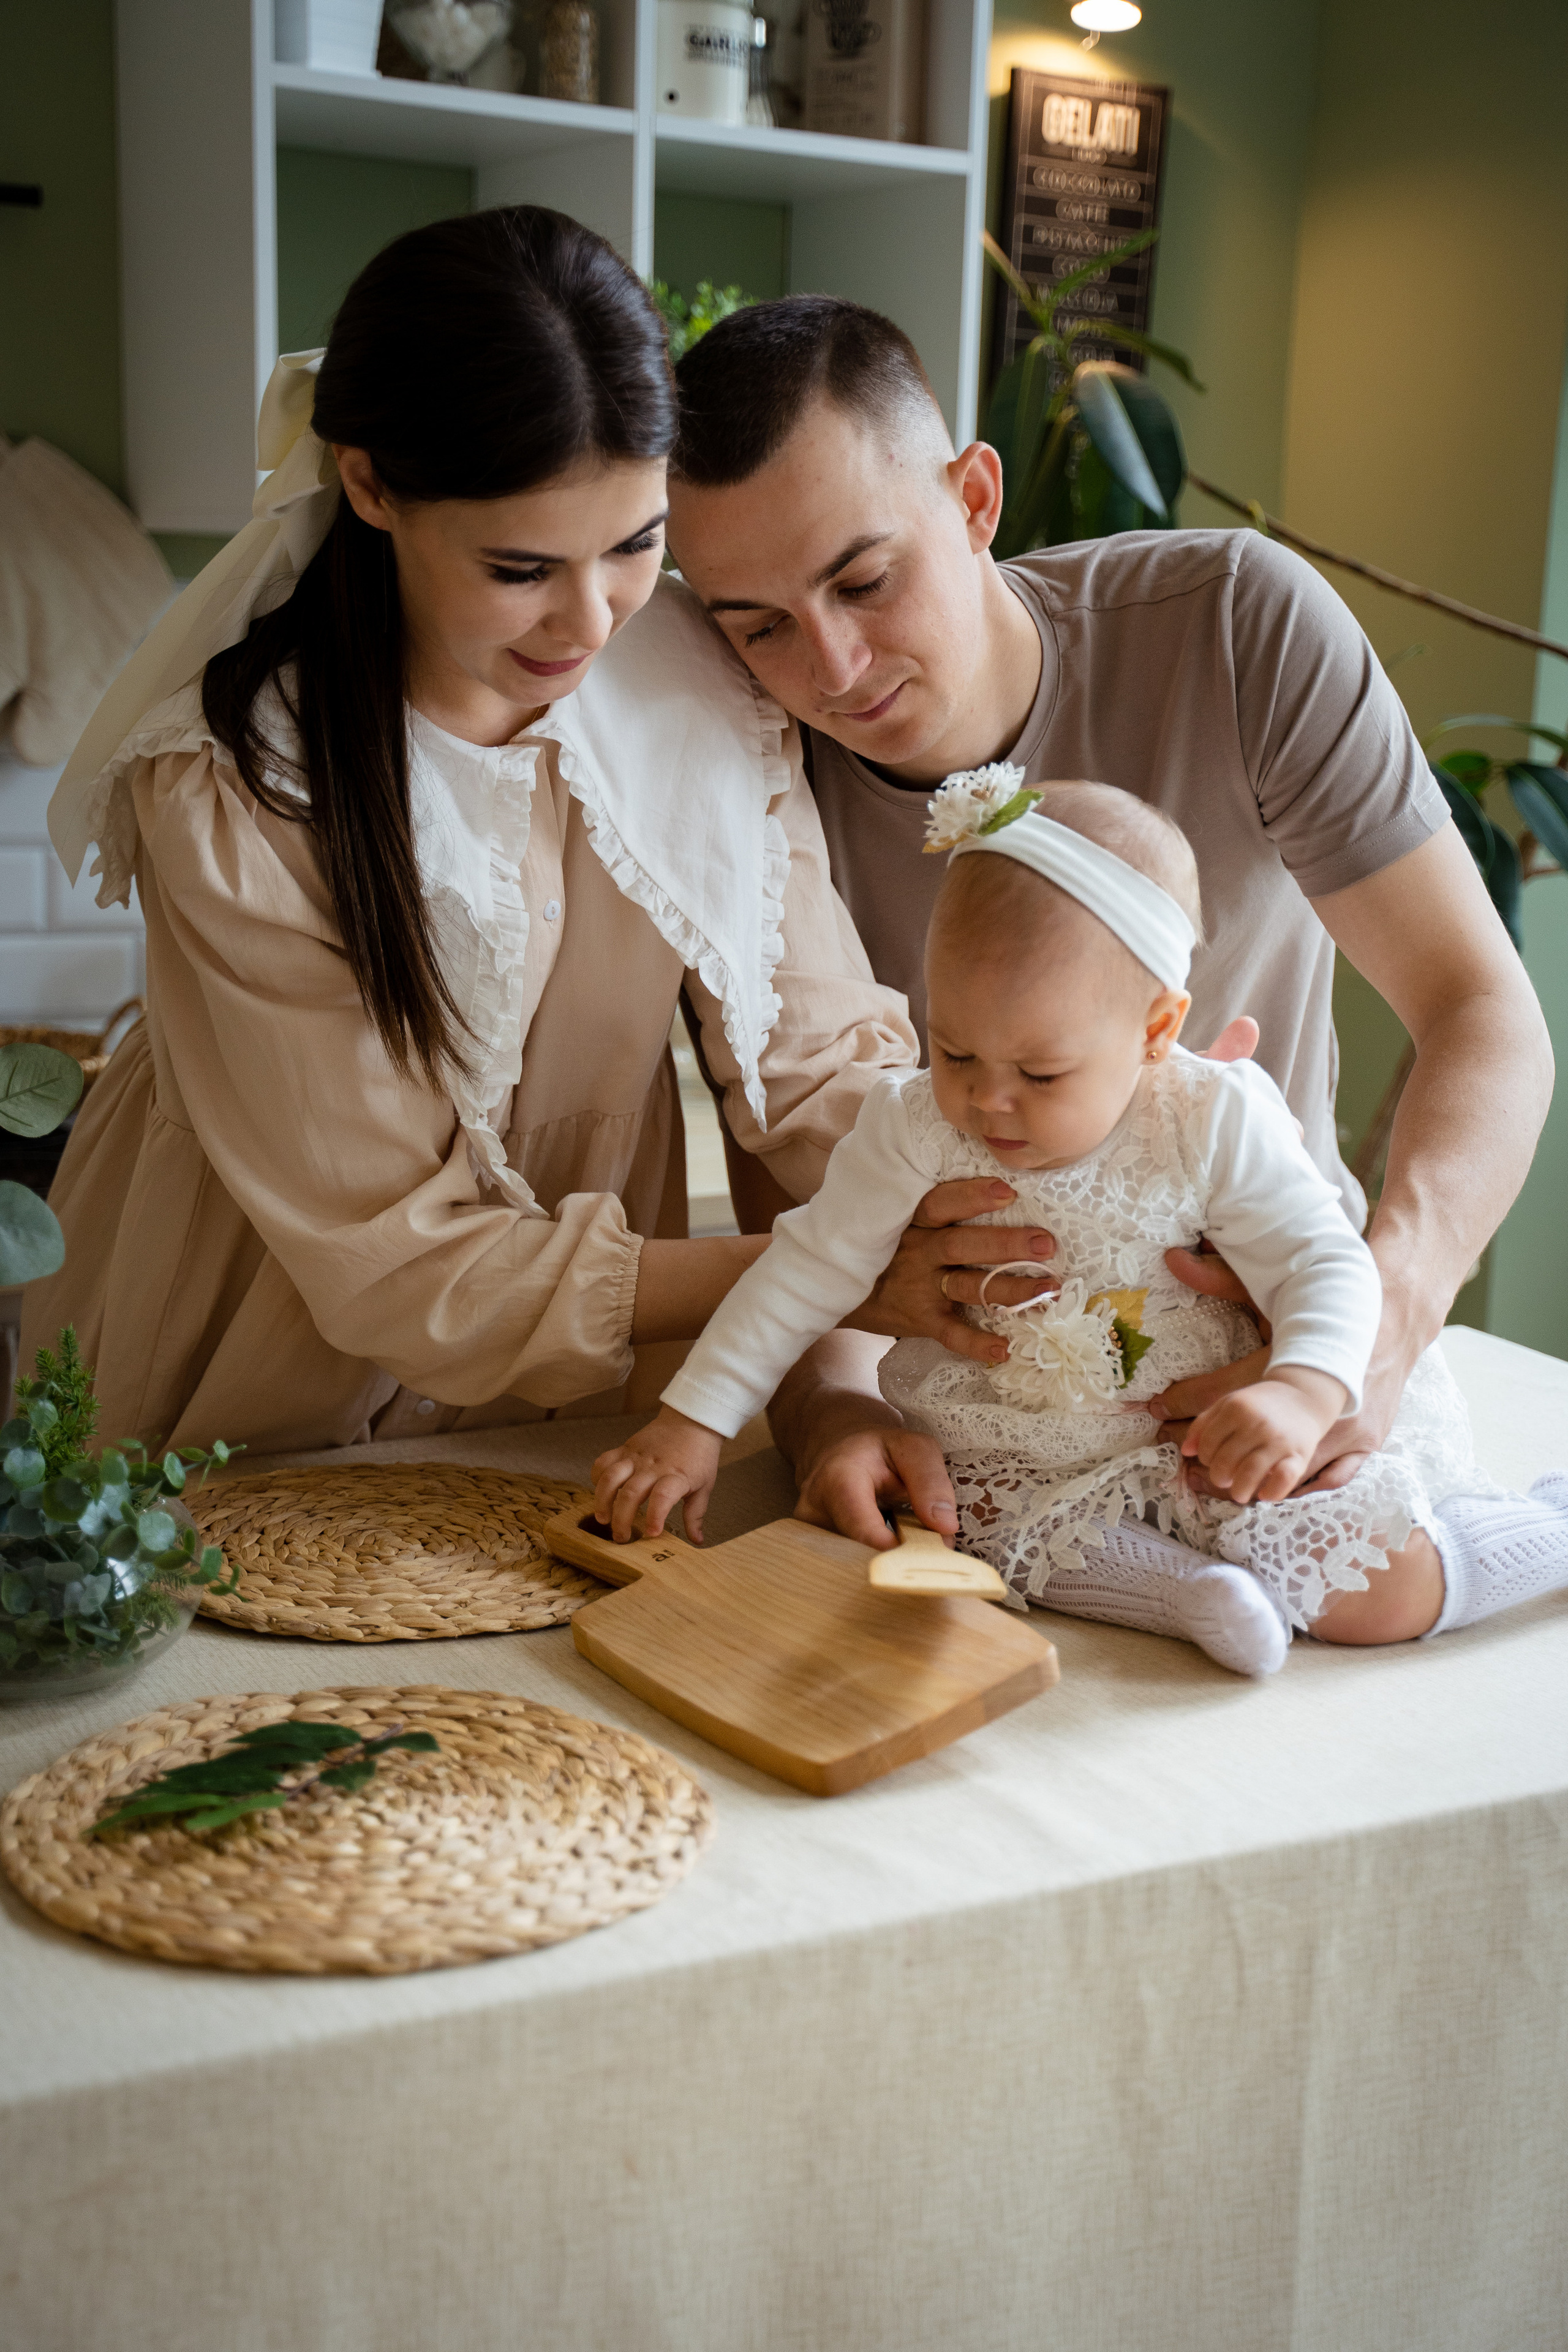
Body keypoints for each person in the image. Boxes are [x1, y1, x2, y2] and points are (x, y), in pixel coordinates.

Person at [665, 296, 1555, 1647]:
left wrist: (1374, 1330)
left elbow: (1480, 1011)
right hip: (999, 1417)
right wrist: (831, 1410)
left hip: (1271, 1347)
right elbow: (817, 1214)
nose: (829, 670)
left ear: (973, 497)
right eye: (755, 624)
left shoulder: (1234, 626)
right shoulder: (730, 783)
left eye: (862, 581)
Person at [25, 209, 925, 1452]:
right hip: (248, 1374)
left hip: (554, 1396)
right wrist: (825, 1268)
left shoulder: (703, 686)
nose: (590, 621)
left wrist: (994, 1172)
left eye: (634, 546)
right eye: (519, 568)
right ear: (369, 483)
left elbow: (817, 1063)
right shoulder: (237, 783)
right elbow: (401, 1264)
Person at [592, 778, 1568, 1671]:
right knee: (961, 1527)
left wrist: (1305, 1394)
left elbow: (1325, 1264)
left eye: (1041, 1074)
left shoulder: (1208, 1118)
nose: (987, 1102)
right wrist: (693, 1422)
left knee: (1370, 1594)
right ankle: (1193, 1599)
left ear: (1155, 1030)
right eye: (953, 1047)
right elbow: (802, 1271)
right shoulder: (913, 1123)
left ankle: (1538, 1532)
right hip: (1026, 1449)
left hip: (1218, 1435)